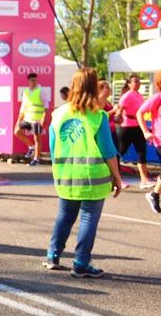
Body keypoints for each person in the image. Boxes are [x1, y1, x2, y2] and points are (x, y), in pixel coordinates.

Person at [43, 68, 122, 278]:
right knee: (88, 217)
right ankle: (81, 263)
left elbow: (52, 147)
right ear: (94, 87)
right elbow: (108, 151)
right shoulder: (99, 116)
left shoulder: (58, 114)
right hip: (92, 178)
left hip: (65, 175)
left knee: (64, 215)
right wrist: (117, 177)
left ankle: (52, 255)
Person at [114, 74, 151, 189]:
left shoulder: (139, 95)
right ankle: (116, 180)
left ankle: (144, 180)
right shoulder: (126, 96)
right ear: (129, 84)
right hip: (126, 127)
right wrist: (118, 117)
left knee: (141, 152)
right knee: (119, 153)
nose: (138, 83)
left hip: (137, 127)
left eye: (139, 81)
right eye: (135, 81)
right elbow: (119, 111)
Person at [136, 71, 161, 213]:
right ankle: (154, 195)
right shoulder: (157, 97)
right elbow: (140, 112)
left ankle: (154, 194)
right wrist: (146, 131)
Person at [14, 72, 48, 166]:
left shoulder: (41, 91)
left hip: (36, 119)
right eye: (32, 80)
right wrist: (18, 120)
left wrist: (43, 119)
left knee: (37, 138)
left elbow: (46, 106)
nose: (34, 82)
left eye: (35, 80)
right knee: (16, 131)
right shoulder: (26, 92)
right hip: (27, 118)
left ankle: (36, 158)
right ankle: (31, 146)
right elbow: (23, 107)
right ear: (28, 81)